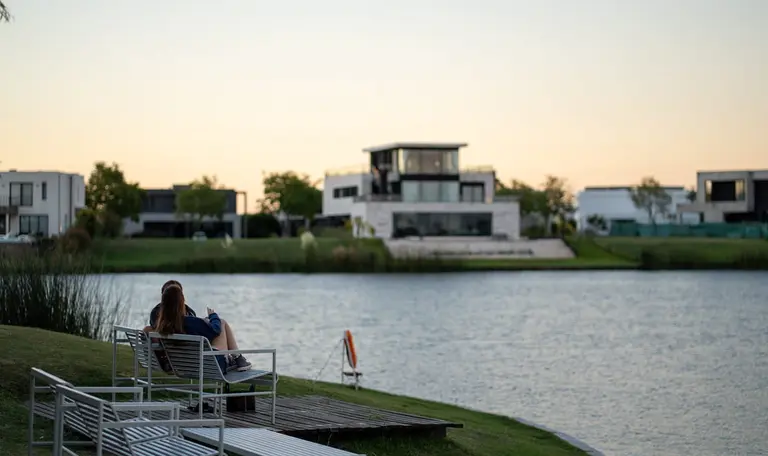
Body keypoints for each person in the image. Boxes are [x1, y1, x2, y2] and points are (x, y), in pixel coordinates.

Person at [152, 283, 252, 372]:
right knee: (221, 322)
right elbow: (215, 330)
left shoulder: (161, 326)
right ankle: (238, 358)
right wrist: (213, 315)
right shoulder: (189, 321)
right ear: (182, 302)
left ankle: (238, 359)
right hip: (210, 367)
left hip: (182, 367)